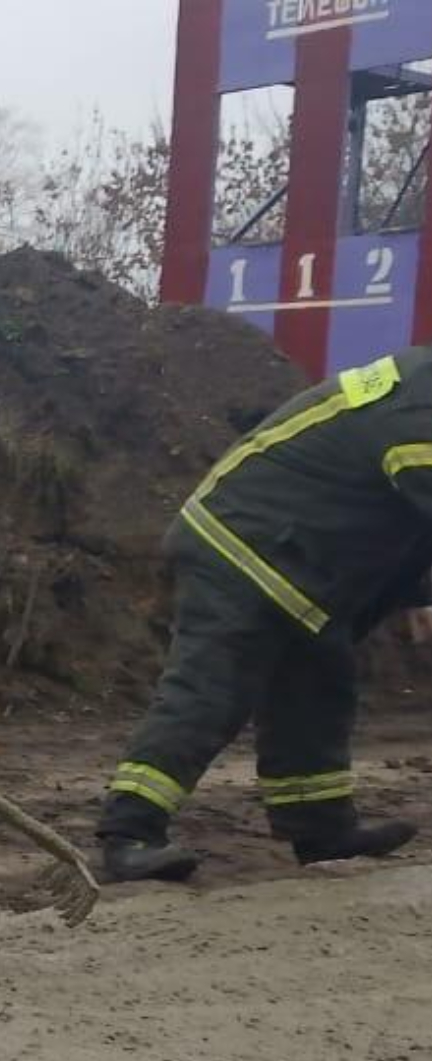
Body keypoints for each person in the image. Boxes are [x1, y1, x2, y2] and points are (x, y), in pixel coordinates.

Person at [96, 347, 432, 882]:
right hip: (244, 544)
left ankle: (320, 830)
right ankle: (129, 831)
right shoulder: (419, 407)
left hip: (303, 564)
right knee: (210, 691)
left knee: (317, 690)